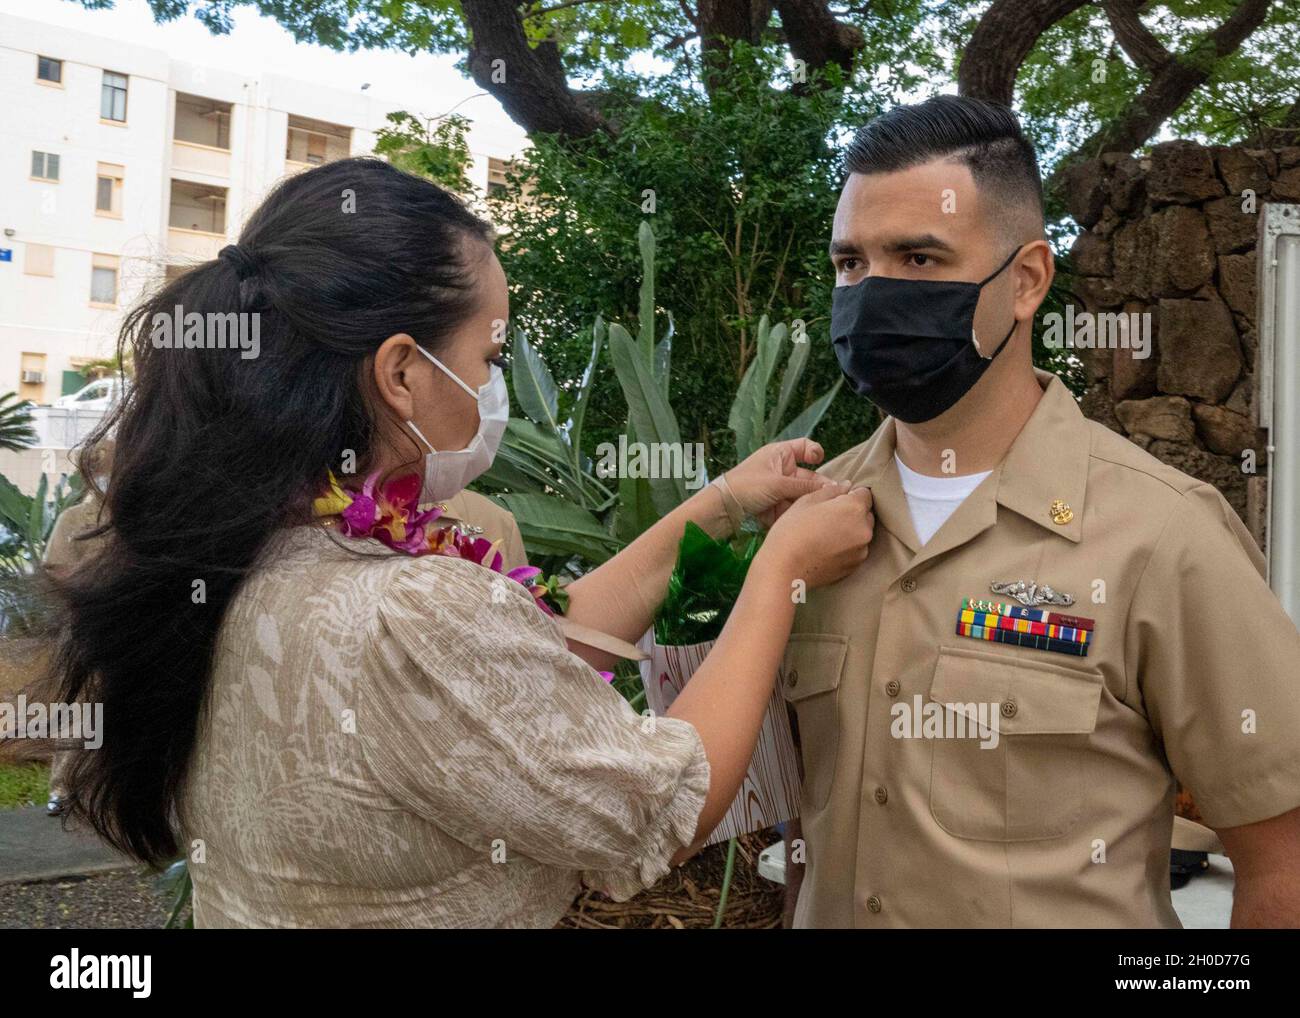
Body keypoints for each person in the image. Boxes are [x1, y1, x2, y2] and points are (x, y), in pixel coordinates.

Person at [47, 156, 874, 928]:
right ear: (402, 372)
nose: (492, 385)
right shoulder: (411, 608)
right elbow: (665, 808)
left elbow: (539, 652)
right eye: (489, 353)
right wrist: (781, 572)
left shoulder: (243, 555)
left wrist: (724, 503)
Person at [780, 94, 1300, 928]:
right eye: (851, 263)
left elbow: (1283, 870)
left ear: (1025, 282)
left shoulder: (1163, 534)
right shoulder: (806, 528)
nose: (873, 294)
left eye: (918, 260)